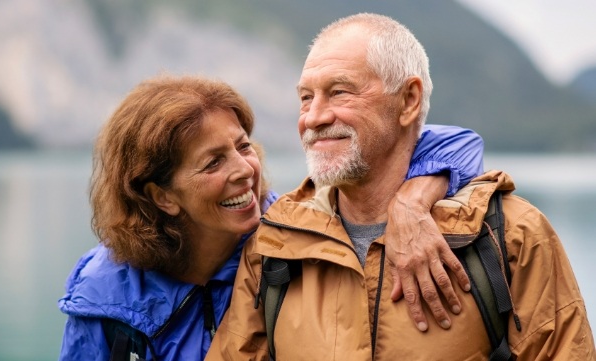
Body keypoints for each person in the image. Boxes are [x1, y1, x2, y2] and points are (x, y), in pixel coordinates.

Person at [206, 13, 595, 361]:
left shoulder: (511, 234)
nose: (314, 117)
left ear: (408, 100)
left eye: (340, 91)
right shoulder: (275, 241)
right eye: (306, 98)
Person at [57, 74, 485, 360]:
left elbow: (460, 142)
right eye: (213, 163)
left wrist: (412, 201)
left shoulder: (291, 234)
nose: (245, 170)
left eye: (243, 146)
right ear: (162, 197)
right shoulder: (106, 290)